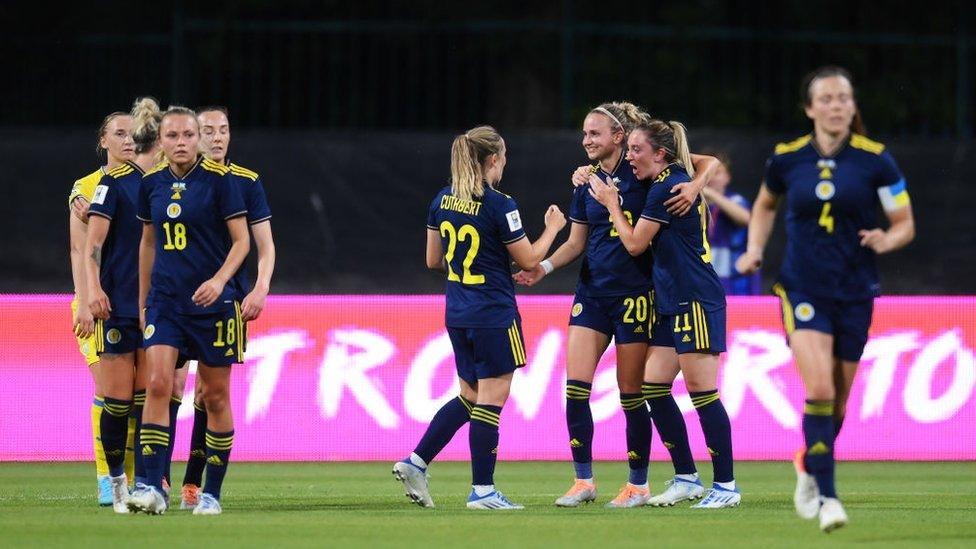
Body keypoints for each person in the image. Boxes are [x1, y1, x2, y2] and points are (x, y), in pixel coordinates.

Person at [736, 66, 915, 532]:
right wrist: (755, 248)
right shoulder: (786, 158)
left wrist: (886, 239)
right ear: (810, 108)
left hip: (855, 292)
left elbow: (905, 223)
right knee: (819, 390)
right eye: (828, 98)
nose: (837, 105)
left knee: (837, 405)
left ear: (853, 107)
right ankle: (830, 499)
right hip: (802, 288)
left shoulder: (877, 160)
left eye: (844, 98)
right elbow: (764, 206)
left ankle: (806, 463)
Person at [527, 102, 717, 507]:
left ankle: (638, 483)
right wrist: (543, 268)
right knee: (575, 388)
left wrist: (697, 185)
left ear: (618, 136)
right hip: (592, 294)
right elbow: (576, 243)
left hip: (637, 296)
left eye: (594, 134)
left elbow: (704, 162)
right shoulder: (587, 183)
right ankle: (583, 481)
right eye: (584, 134)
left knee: (632, 392)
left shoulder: (646, 171)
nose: (586, 141)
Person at [393, 125, 566, 510]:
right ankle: (483, 491)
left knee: (470, 396)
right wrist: (553, 228)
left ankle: (415, 462)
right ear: (492, 160)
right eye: (502, 157)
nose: (504, 164)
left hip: (457, 312)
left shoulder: (441, 200)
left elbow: (432, 261)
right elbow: (529, 260)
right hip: (494, 313)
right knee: (491, 400)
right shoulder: (500, 205)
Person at [589, 119, 740, 510]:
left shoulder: (664, 187)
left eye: (637, 150)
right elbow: (704, 160)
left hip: (695, 298)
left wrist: (612, 205)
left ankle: (725, 485)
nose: (630, 157)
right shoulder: (673, 177)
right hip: (672, 300)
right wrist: (697, 181)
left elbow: (636, 244)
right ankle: (687, 477)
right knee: (653, 385)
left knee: (703, 394)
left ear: (660, 154)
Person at [126, 106, 250, 516]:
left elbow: (241, 243)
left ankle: (210, 492)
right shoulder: (151, 184)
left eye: (187, 135)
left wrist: (219, 281)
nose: (181, 143)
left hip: (215, 307)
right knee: (159, 383)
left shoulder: (221, 181)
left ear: (197, 139)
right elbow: (147, 242)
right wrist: (144, 301)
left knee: (214, 396)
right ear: (160, 142)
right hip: (166, 303)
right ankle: (149, 486)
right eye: (173, 136)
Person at [180, 106, 275, 510]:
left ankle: (193, 483)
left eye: (223, 130)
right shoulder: (174, 181)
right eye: (208, 130)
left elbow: (266, 247)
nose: (217, 137)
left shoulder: (246, 182)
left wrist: (260, 288)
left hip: (225, 303)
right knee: (163, 385)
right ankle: (152, 478)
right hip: (176, 300)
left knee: (208, 392)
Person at [84, 100, 163, 513]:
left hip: (157, 307)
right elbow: (91, 245)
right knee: (115, 400)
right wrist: (94, 290)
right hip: (117, 305)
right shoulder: (113, 183)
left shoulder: (170, 185)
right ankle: (115, 482)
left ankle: (150, 483)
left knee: (150, 396)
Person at [67, 111, 136, 505]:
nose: (128, 141)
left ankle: (133, 478)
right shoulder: (86, 188)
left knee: (132, 397)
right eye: (119, 134)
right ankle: (108, 479)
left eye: (133, 135)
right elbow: (80, 250)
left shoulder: (147, 184)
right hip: (97, 304)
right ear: (103, 142)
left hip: (134, 306)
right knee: (109, 392)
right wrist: (83, 303)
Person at [700, 152, 760, 295]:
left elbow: (747, 219)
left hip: (736, 282)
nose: (712, 177)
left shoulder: (735, 200)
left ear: (728, 177)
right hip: (707, 282)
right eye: (707, 172)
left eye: (718, 172)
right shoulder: (693, 205)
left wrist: (711, 194)